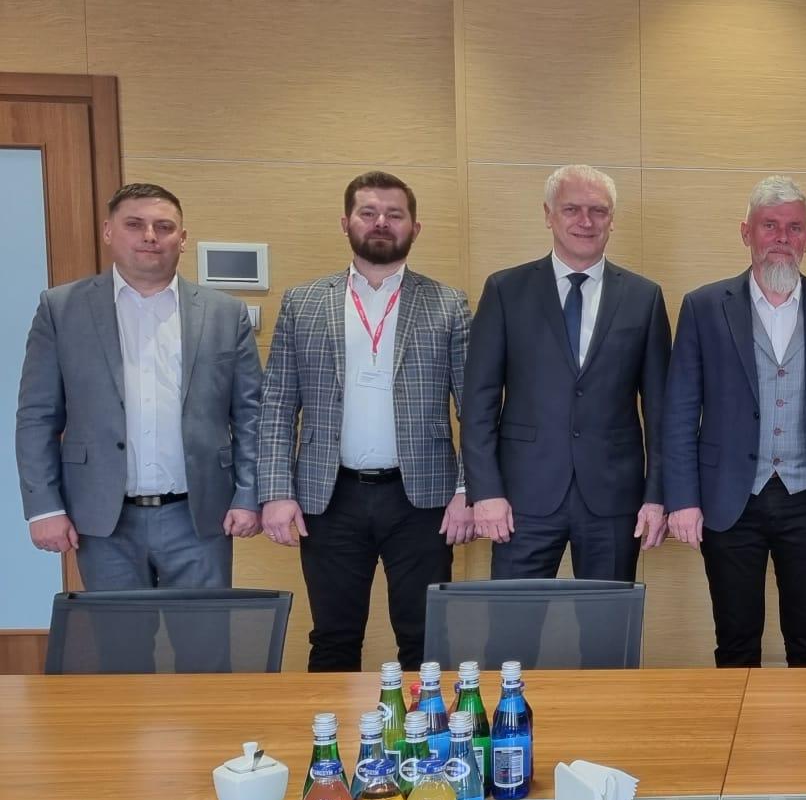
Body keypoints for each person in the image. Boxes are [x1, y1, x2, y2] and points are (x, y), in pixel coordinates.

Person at [255, 171, 475, 672]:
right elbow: (277, 406)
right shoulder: (303, 302)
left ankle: (425, 726)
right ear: (346, 222)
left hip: (423, 500)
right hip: (328, 497)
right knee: (333, 638)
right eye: (368, 212)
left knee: (425, 641)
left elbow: (476, 409)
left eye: (394, 214)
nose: (381, 222)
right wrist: (276, 492)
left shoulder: (449, 304)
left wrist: (468, 490)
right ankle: (332, 726)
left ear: (415, 227)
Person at [16, 182, 261, 595]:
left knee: (205, 635)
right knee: (118, 637)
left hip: (201, 517)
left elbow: (252, 414)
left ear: (182, 239)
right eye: (134, 224)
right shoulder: (61, 309)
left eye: (164, 227)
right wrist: (43, 506)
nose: (150, 236)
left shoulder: (224, 313)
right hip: (102, 519)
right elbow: (36, 417)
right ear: (108, 231)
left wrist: (249, 494)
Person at [663, 175, 806, 667]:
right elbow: (680, 410)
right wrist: (683, 499)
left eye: (794, 228)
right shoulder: (704, 307)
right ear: (746, 232)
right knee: (735, 642)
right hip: (729, 500)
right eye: (769, 225)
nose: (781, 238)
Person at [462, 164, 670, 582]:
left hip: (614, 499)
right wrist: (485, 492)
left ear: (612, 219)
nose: (585, 221)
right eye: (571, 209)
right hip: (521, 499)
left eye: (598, 210)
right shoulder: (505, 290)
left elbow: (661, 411)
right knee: (514, 621)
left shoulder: (644, 297)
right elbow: (478, 402)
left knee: (608, 619)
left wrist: (657, 495)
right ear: (548, 214)